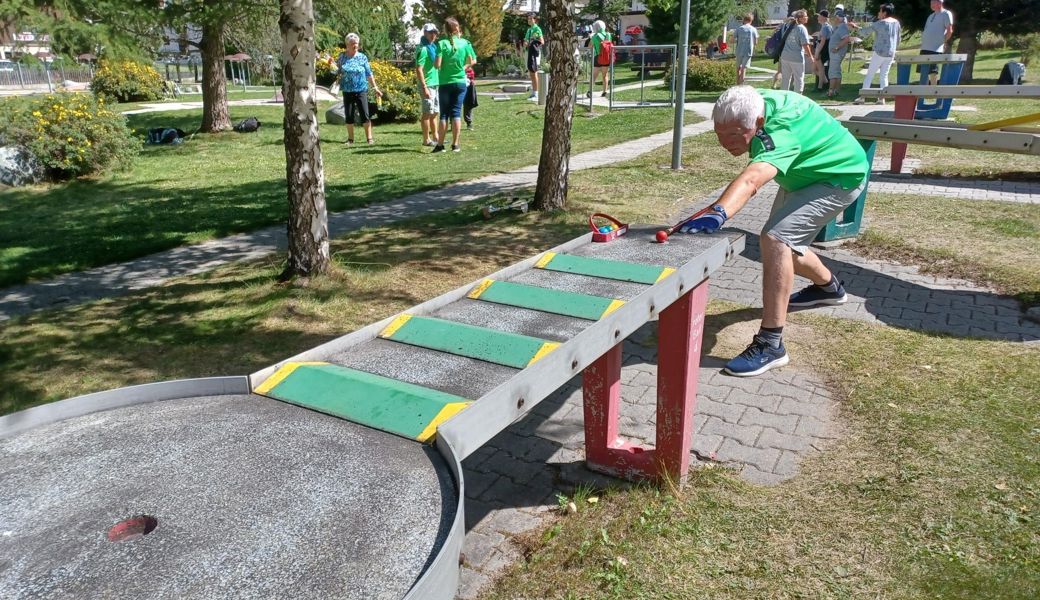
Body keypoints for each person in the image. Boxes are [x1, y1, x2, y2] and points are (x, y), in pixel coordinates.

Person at [678, 86, 869, 376]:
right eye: (719, 134)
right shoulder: (750, 103)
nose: (725, 143)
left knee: (777, 238)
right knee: (784, 245)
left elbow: (752, 180)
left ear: (759, 124)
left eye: (734, 135)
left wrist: (718, 212)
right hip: (807, 173)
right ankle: (828, 289)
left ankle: (771, 344)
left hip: (838, 177)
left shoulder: (778, 133)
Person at [434, 17, 477, 153]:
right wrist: (462, 68)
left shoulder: (442, 44)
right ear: (457, 28)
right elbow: (471, 61)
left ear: (445, 30)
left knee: (444, 115)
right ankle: (455, 145)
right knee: (456, 113)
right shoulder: (465, 43)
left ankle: (440, 145)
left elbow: (437, 65)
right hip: (460, 82)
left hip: (445, 82)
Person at [335, 33, 382, 145]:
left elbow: (369, 73)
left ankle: (369, 138)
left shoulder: (362, 57)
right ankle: (350, 139)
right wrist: (332, 67)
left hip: (361, 89)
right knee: (349, 114)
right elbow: (337, 71)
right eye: (352, 44)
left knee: (364, 114)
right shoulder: (342, 57)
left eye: (356, 44)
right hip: (347, 90)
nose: (355, 46)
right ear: (347, 44)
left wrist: (375, 87)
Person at [853, 4, 901, 104]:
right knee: (884, 75)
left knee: (870, 74)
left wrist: (855, 27)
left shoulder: (880, 23)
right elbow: (898, 38)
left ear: (884, 13)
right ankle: (882, 98)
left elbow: (865, 32)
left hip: (880, 52)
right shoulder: (896, 23)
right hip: (891, 52)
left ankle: (863, 97)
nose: (878, 13)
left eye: (880, 11)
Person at [415, 23, 441, 147]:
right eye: (431, 32)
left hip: (435, 83)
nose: (433, 35)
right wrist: (424, 87)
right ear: (425, 33)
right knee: (427, 113)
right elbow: (419, 69)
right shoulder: (423, 49)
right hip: (427, 85)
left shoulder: (434, 47)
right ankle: (426, 140)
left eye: (435, 32)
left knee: (435, 112)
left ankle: (436, 137)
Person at [779, 10, 813, 94]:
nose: (807, 18)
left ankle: (784, 96)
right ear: (800, 18)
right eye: (805, 16)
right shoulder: (801, 28)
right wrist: (810, 56)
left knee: (785, 79)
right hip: (796, 57)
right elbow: (805, 44)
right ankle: (798, 97)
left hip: (785, 56)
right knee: (799, 78)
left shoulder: (788, 26)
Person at [920, 0, 954, 84]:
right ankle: (923, 92)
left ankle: (934, 91)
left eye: (933, 2)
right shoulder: (930, 16)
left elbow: (949, 30)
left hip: (936, 48)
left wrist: (944, 41)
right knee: (923, 71)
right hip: (925, 47)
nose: (931, 4)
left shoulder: (946, 13)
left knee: (933, 71)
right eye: (930, 2)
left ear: (940, 3)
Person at [826, 9, 851, 98]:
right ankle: (836, 91)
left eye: (835, 17)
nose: (834, 19)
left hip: (836, 53)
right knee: (836, 71)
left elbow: (846, 39)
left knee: (833, 72)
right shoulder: (839, 27)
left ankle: (831, 91)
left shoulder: (842, 27)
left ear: (838, 18)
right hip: (835, 54)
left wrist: (837, 47)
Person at [586, 20, 613, 97]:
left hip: (597, 57)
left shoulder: (594, 36)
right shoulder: (608, 35)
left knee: (594, 76)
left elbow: (589, 46)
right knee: (605, 75)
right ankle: (605, 91)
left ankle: (590, 91)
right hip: (606, 57)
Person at [524, 13, 544, 101]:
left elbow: (541, 41)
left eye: (531, 18)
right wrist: (526, 43)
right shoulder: (529, 30)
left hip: (534, 53)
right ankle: (534, 92)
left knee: (534, 71)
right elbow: (526, 41)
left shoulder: (537, 28)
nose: (529, 20)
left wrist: (533, 42)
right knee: (531, 72)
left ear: (535, 20)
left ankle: (537, 93)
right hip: (529, 52)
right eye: (528, 18)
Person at [733, 14, 758, 85]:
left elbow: (732, 40)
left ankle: (737, 85)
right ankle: (741, 86)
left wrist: (739, 40)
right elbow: (756, 42)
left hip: (739, 50)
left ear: (744, 20)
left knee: (738, 68)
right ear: (751, 20)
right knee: (743, 69)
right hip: (748, 51)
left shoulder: (739, 28)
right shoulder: (753, 29)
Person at [812, 10, 832, 91]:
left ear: (823, 17)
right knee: (815, 69)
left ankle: (821, 86)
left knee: (820, 69)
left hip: (822, 49)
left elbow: (822, 41)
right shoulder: (826, 26)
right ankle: (826, 82)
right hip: (823, 48)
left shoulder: (825, 27)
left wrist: (817, 52)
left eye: (819, 16)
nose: (818, 17)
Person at [463, 63, 478, 130]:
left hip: (469, 86)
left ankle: (469, 123)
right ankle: (453, 123)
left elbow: (471, 74)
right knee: (454, 105)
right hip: (457, 83)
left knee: (468, 105)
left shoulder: (468, 66)